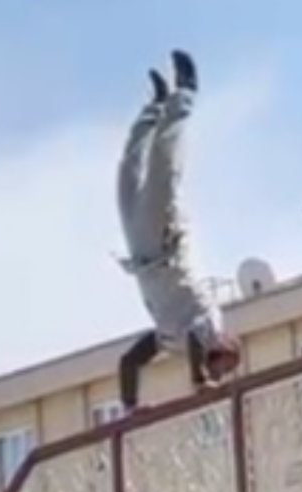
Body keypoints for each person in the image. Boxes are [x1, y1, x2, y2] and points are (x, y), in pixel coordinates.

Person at [116, 50, 240, 414]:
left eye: (218, 368)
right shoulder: (211, 323)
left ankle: (154, 107)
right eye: (222, 363)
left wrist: (130, 406)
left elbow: (130, 360)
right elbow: (198, 337)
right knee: (163, 166)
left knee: (127, 175)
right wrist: (201, 381)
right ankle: (185, 94)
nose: (217, 367)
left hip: (141, 254)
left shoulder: (171, 344)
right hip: (165, 242)